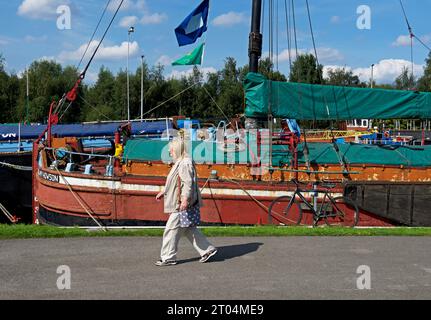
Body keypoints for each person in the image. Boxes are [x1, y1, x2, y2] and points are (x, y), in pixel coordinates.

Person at [155, 136, 218, 266]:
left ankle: (168, 257)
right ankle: (207, 250)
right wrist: (164, 191)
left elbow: (187, 183)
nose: (169, 152)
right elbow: (175, 181)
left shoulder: (184, 163)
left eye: (171, 149)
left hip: (181, 203)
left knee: (171, 229)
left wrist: (184, 200)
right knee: (188, 228)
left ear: (177, 149)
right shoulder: (181, 162)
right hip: (182, 201)